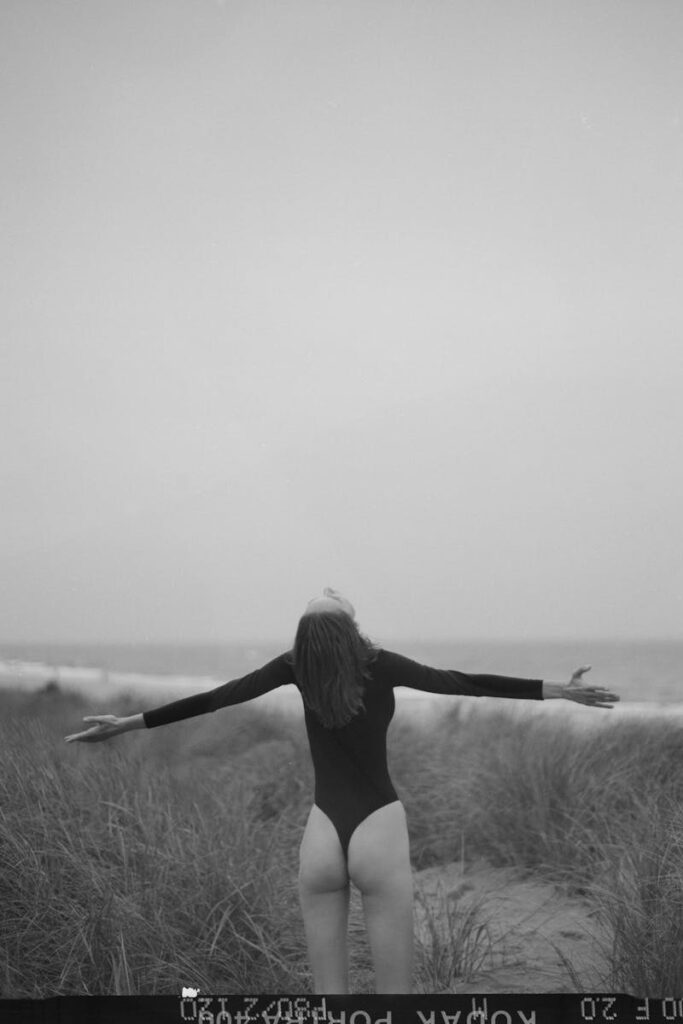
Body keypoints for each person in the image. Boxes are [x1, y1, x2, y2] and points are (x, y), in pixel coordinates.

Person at [65, 587, 619, 994]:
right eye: (326, 598)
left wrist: (128, 723)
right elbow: (466, 684)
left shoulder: (294, 666)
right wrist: (558, 692)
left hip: (322, 834)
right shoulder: (380, 664)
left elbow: (215, 698)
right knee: (394, 1002)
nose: (326, 590)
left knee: (331, 1005)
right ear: (349, 628)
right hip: (378, 824)